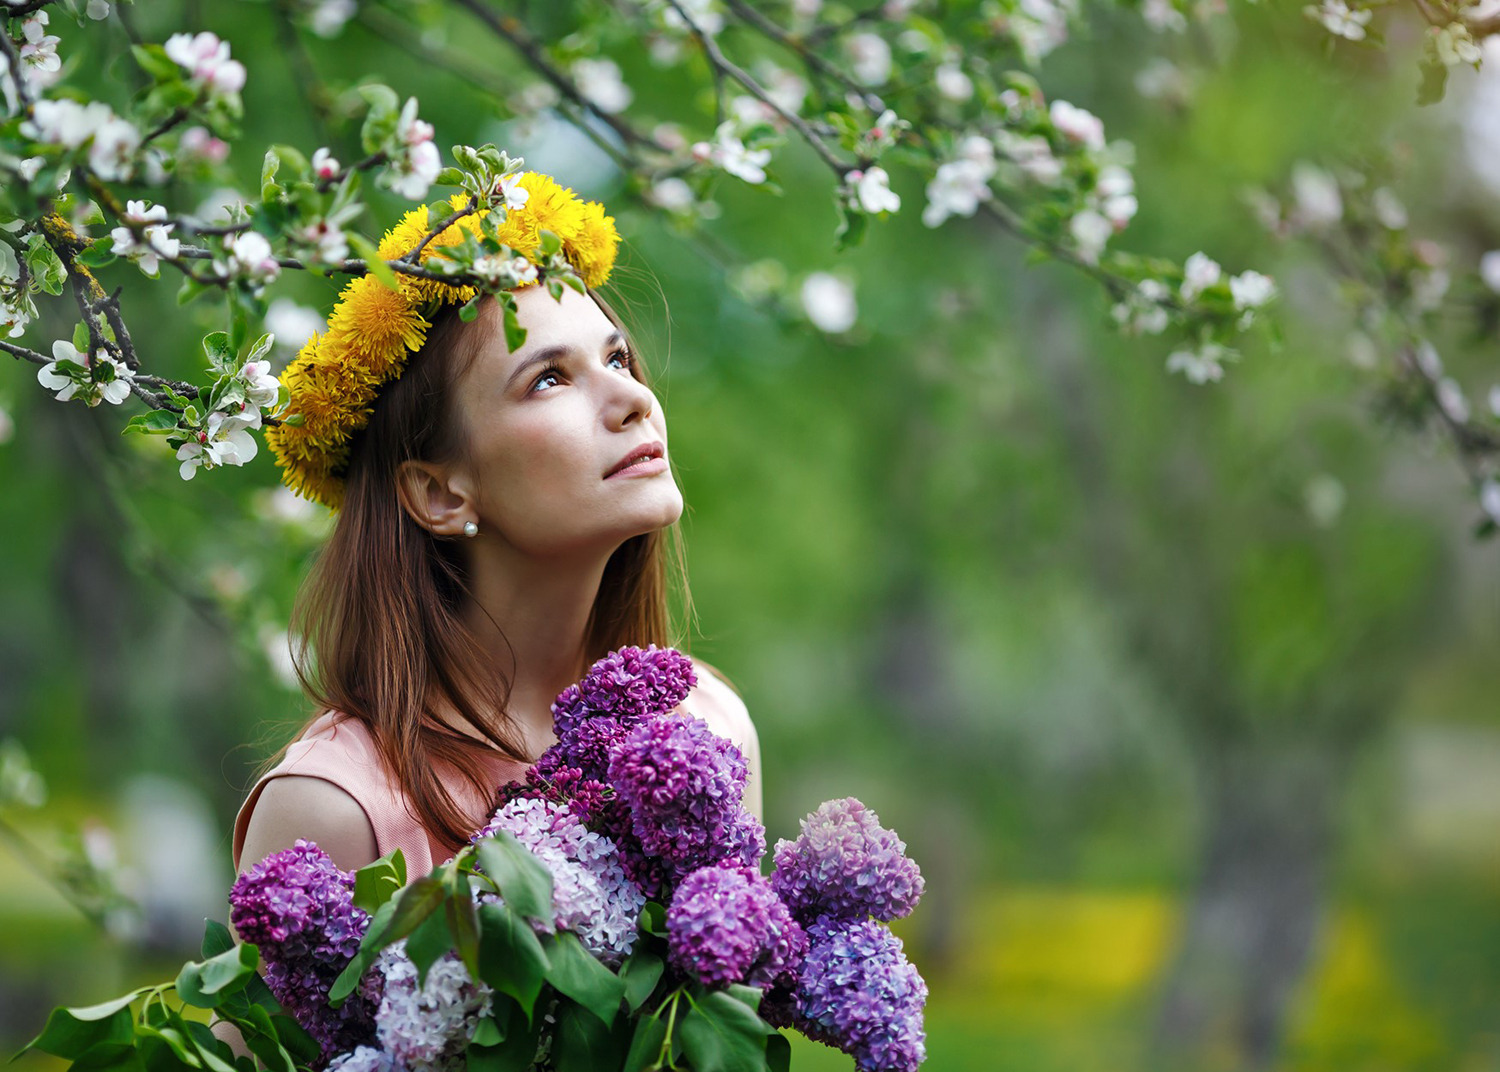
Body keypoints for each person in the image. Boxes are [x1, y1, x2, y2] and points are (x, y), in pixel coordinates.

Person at [232, 170, 762, 881]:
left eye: (617, 358)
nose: (634, 397)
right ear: (440, 493)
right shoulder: (334, 811)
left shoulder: (708, 727)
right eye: (550, 378)